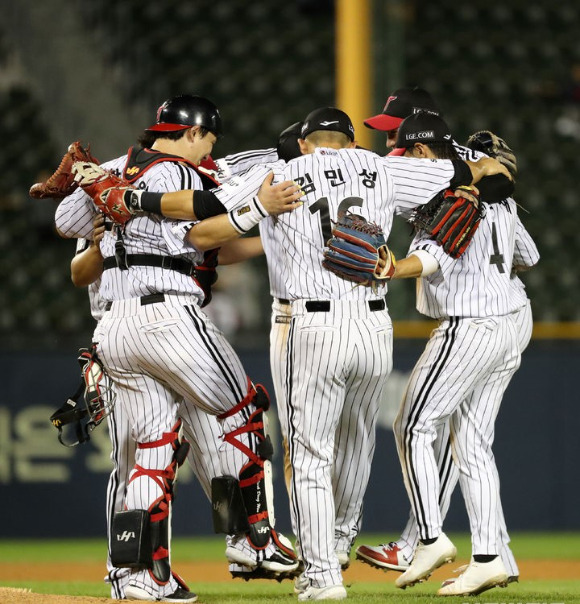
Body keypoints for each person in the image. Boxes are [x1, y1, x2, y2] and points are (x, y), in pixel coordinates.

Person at [74, 105, 511, 601]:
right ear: (349, 142)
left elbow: (200, 219)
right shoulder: (383, 167)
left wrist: (133, 194)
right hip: (372, 323)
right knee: (356, 445)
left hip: (306, 325)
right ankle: (336, 541)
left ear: (304, 143)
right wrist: (486, 178)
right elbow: (470, 176)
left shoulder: (281, 172)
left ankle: (314, 572)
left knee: (305, 455)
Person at [54, 93, 302, 602]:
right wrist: (256, 207)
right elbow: (198, 213)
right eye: (208, 139)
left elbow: (63, 220)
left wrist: (110, 202)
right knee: (243, 409)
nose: (208, 150)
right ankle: (251, 539)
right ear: (192, 133)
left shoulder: (112, 168)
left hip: (116, 330)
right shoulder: (176, 169)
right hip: (168, 315)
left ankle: (136, 575)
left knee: (152, 449)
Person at [356, 90, 531, 587]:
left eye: (398, 136)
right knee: (472, 442)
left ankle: (427, 541)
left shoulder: (448, 186)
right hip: (507, 314)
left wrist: (395, 267)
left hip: (469, 322)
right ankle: (491, 557)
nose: (390, 143)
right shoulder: (485, 172)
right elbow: (530, 254)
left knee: (412, 425)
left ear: (421, 145)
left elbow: (438, 254)